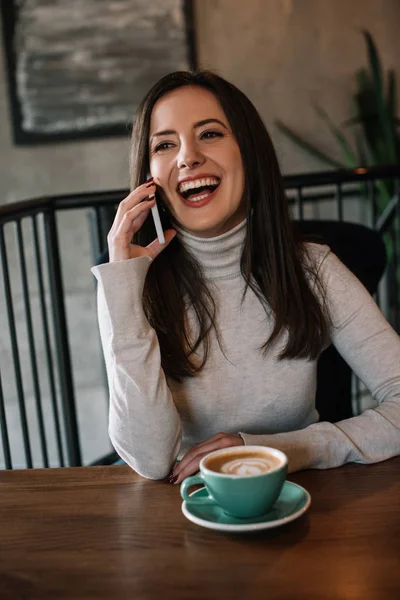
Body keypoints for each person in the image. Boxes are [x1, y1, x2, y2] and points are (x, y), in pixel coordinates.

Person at [91, 70, 400, 484]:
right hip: (183, 511)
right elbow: (150, 460)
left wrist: (286, 449)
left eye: (211, 134)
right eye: (165, 144)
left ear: (249, 154)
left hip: (301, 498)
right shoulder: (130, 284)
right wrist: (123, 284)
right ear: (149, 178)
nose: (187, 157)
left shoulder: (314, 269)